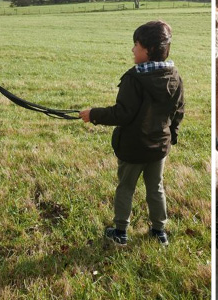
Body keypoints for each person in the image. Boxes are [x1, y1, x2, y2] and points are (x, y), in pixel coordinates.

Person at [79, 20, 184, 247]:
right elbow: (179, 109)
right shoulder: (174, 75)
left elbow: (122, 114)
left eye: (135, 45)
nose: (132, 49)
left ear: (148, 50)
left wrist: (93, 114)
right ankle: (159, 231)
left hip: (133, 148)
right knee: (156, 187)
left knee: (125, 188)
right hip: (159, 148)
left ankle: (120, 231)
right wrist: (171, 136)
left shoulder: (133, 78)